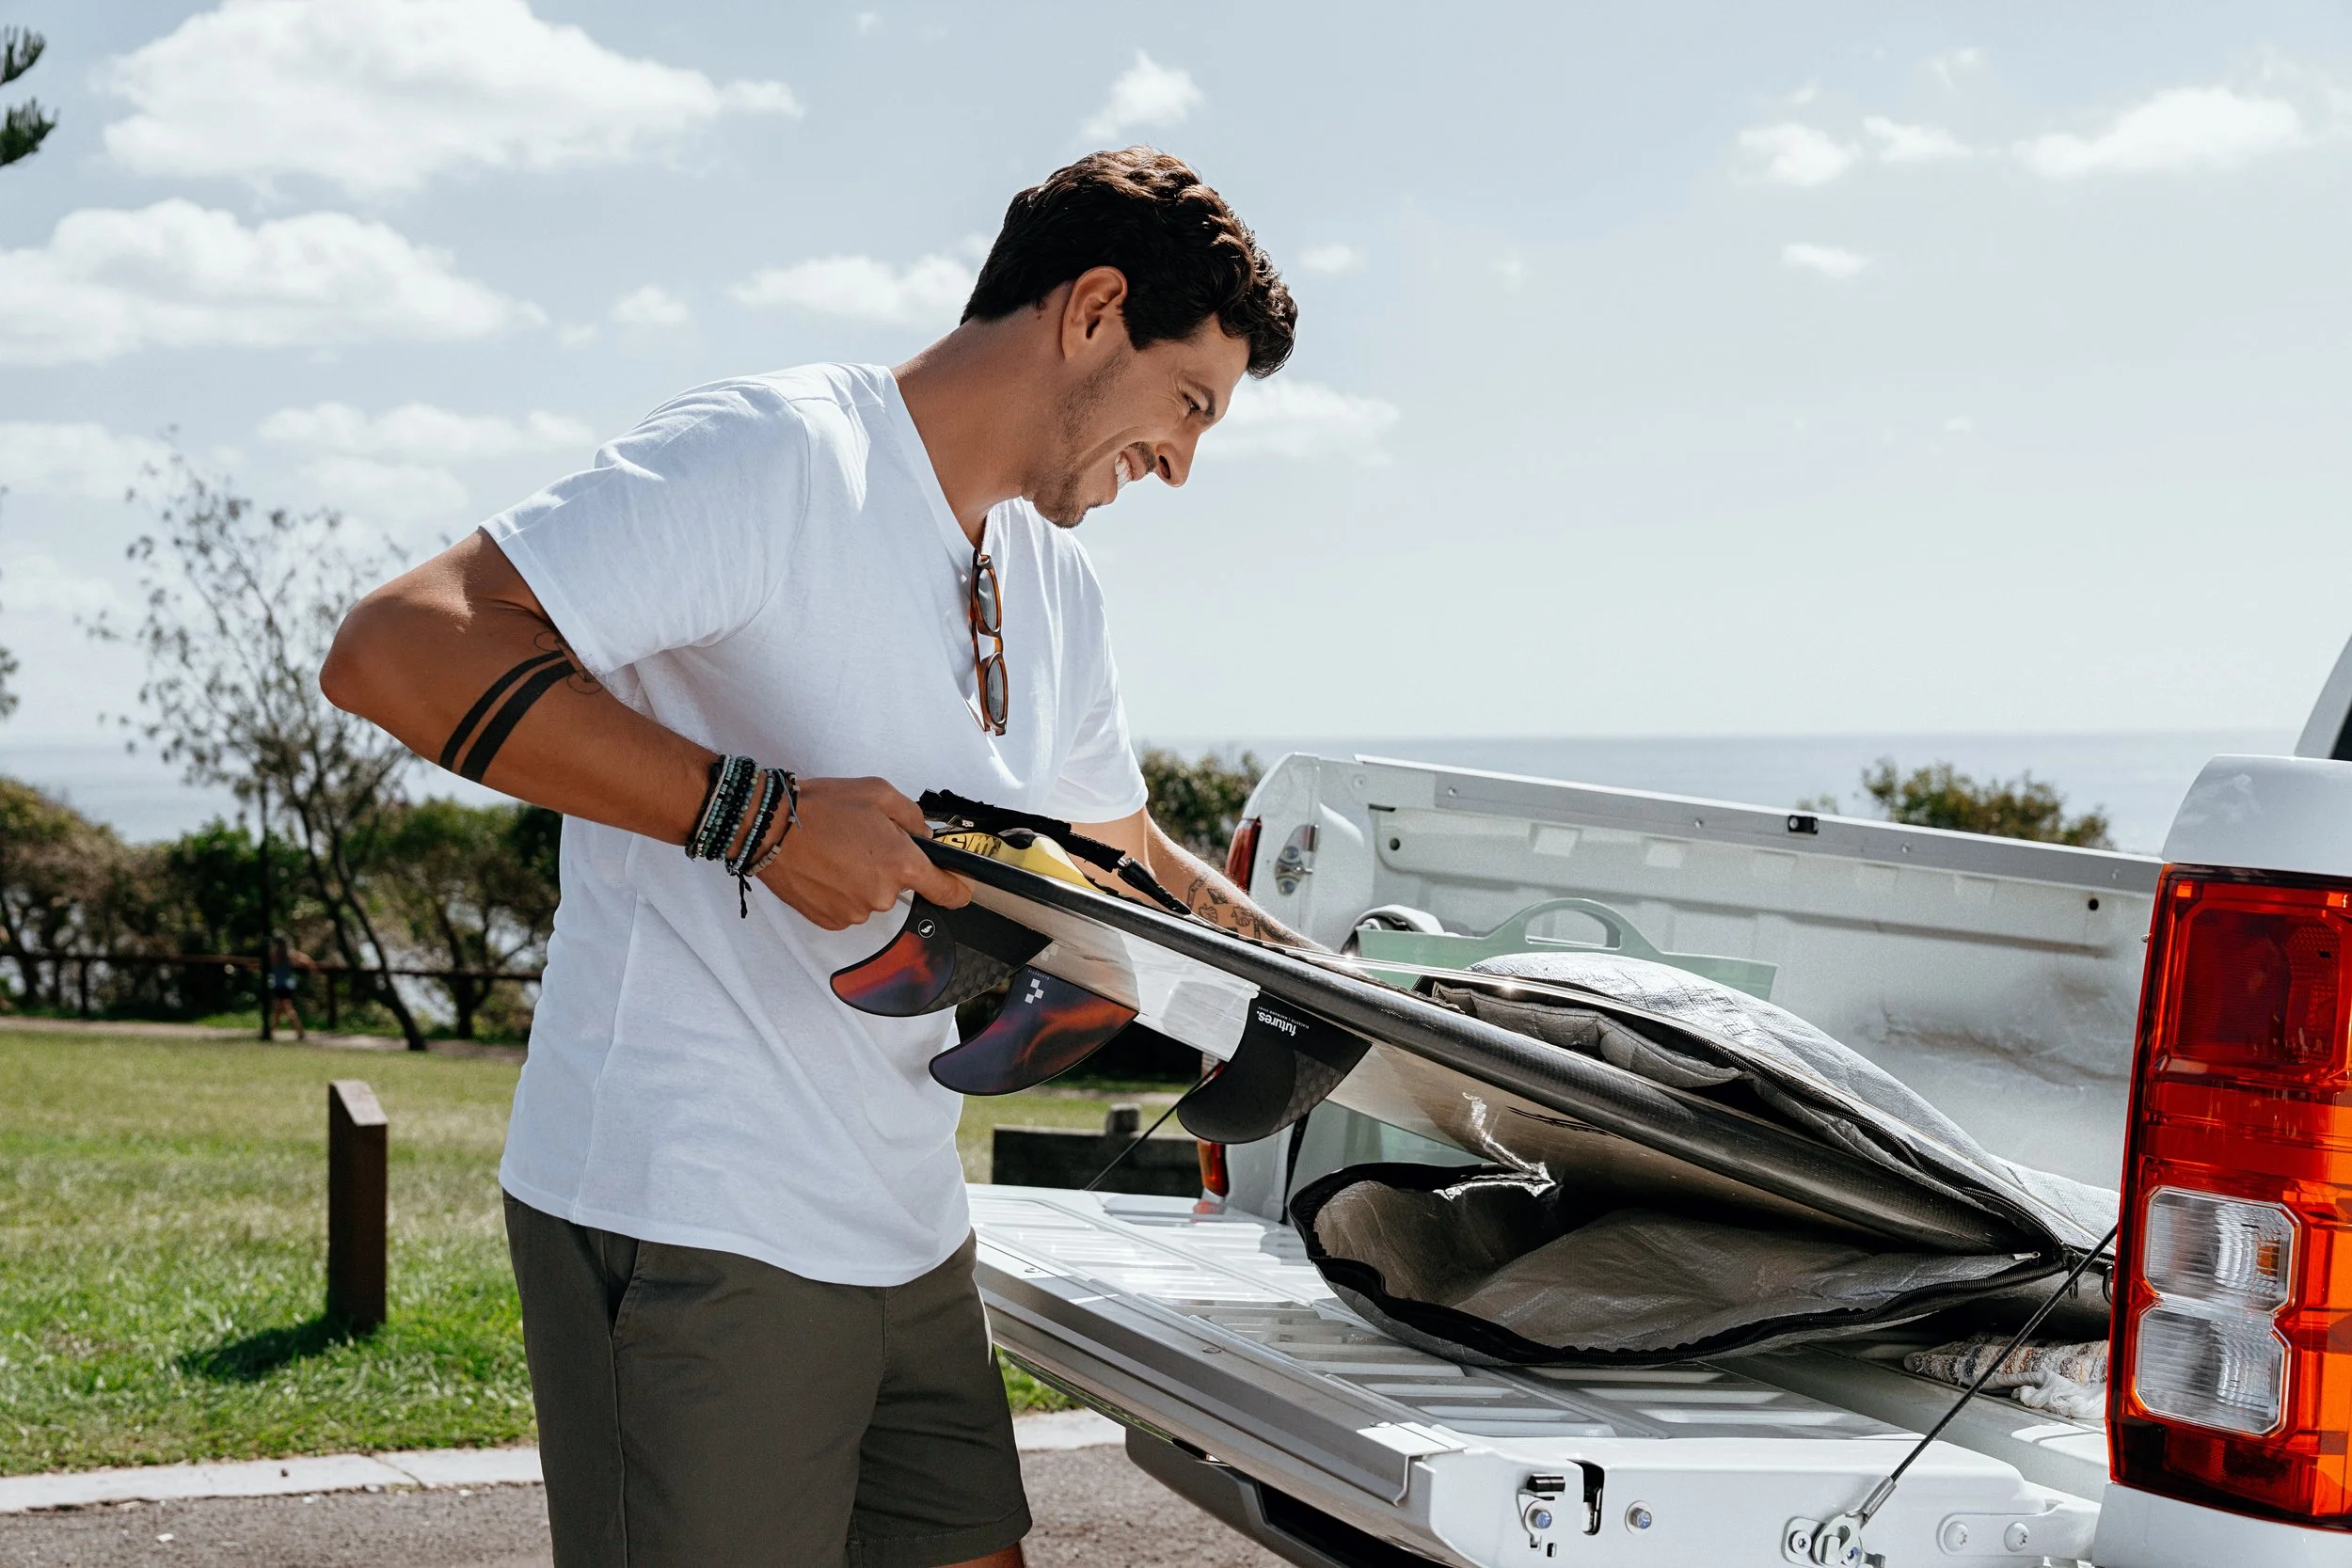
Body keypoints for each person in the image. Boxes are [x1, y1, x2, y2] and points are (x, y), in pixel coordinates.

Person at [320, 148, 1307, 1568]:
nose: (1183, 460)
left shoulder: (1055, 581)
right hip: (693, 1215)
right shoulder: (778, 456)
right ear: (1095, 311)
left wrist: (1326, 991)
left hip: (907, 1221)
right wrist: (759, 818)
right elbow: (403, 644)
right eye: (1190, 403)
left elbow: (1119, 857)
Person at [264, 935, 314, 1041]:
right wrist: (311, 969)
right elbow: (307, 960)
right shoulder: (290, 954)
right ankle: (272, 1032)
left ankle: (299, 1032)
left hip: (280, 985)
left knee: (287, 1009)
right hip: (287, 984)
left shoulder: (276, 955)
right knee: (278, 1009)